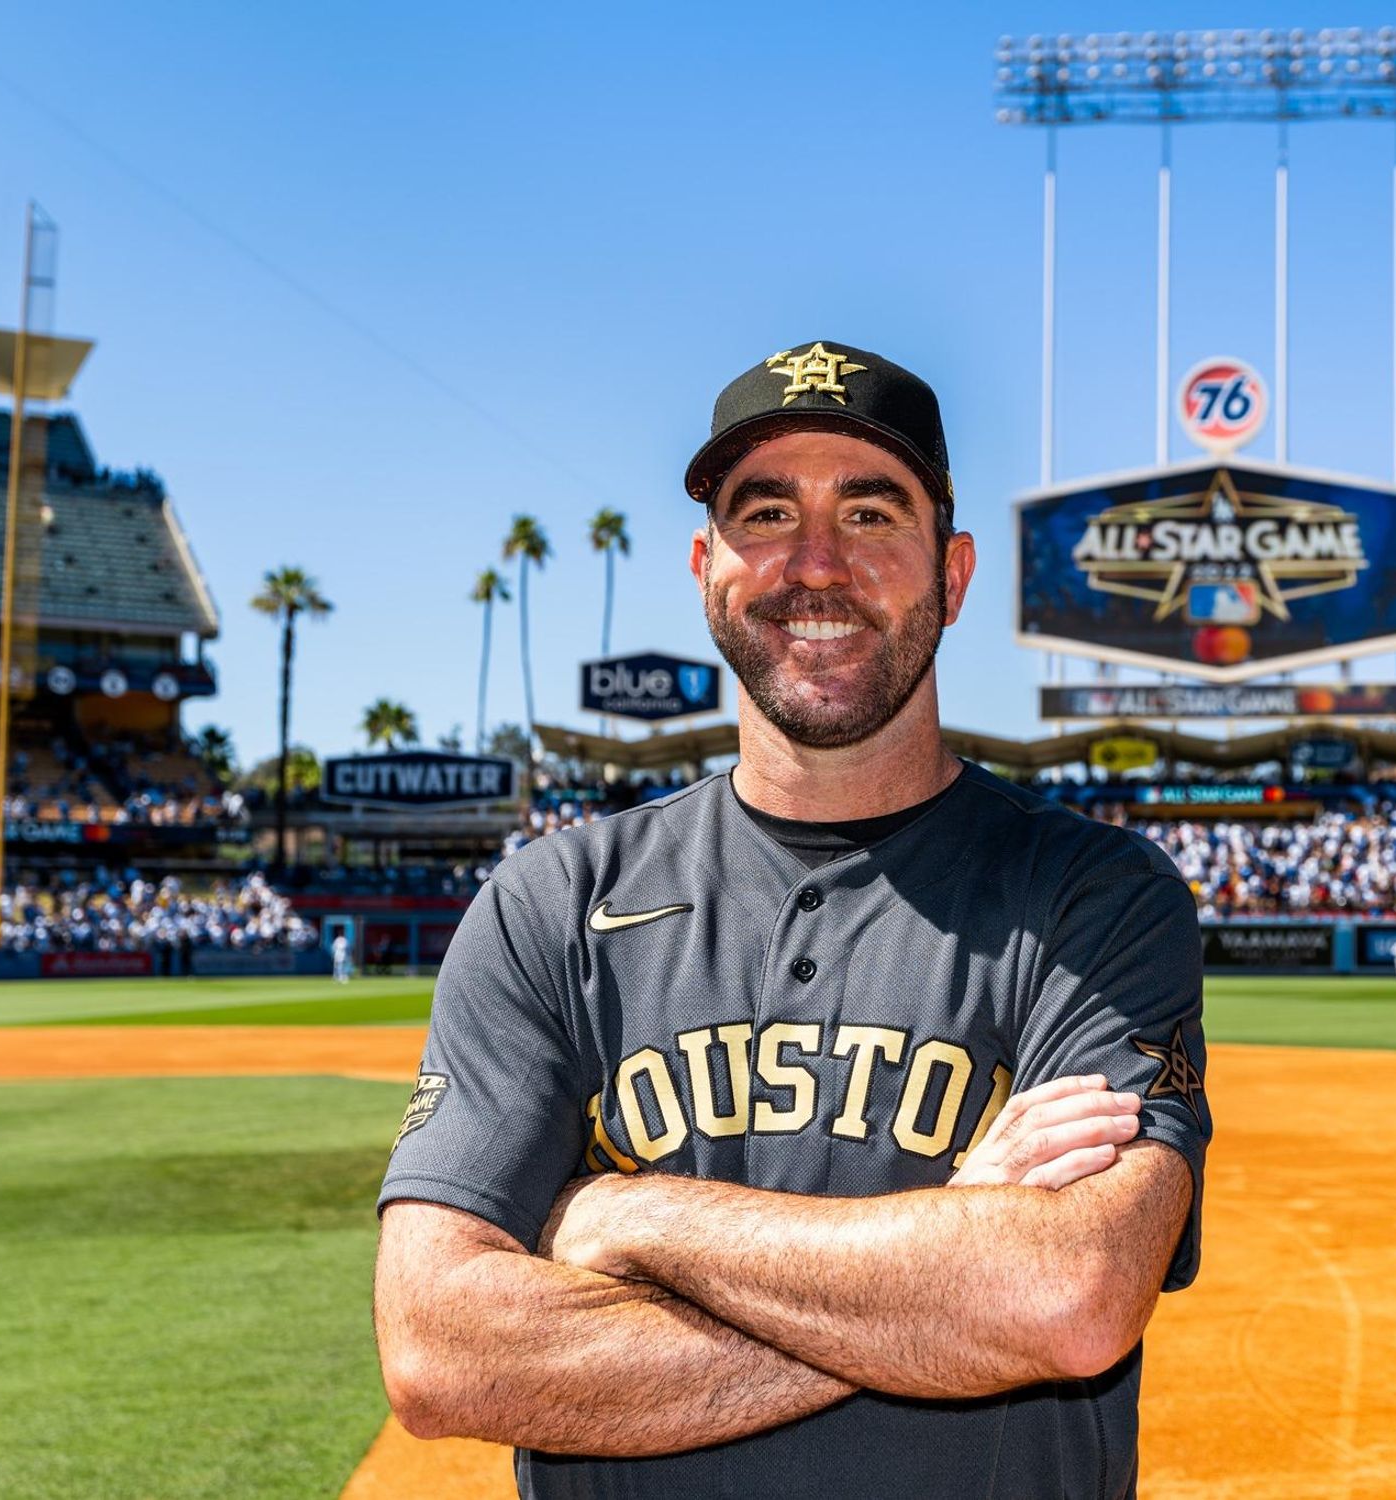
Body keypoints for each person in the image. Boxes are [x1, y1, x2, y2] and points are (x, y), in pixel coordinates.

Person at [372, 341, 1211, 1499]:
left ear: (953, 574)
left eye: (870, 513)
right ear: (706, 566)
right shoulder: (549, 907)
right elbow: (439, 1354)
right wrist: (943, 1265)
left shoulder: (1092, 897)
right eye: (764, 513)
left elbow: (1064, 1298)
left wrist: (627, 1215)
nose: (814, 564)